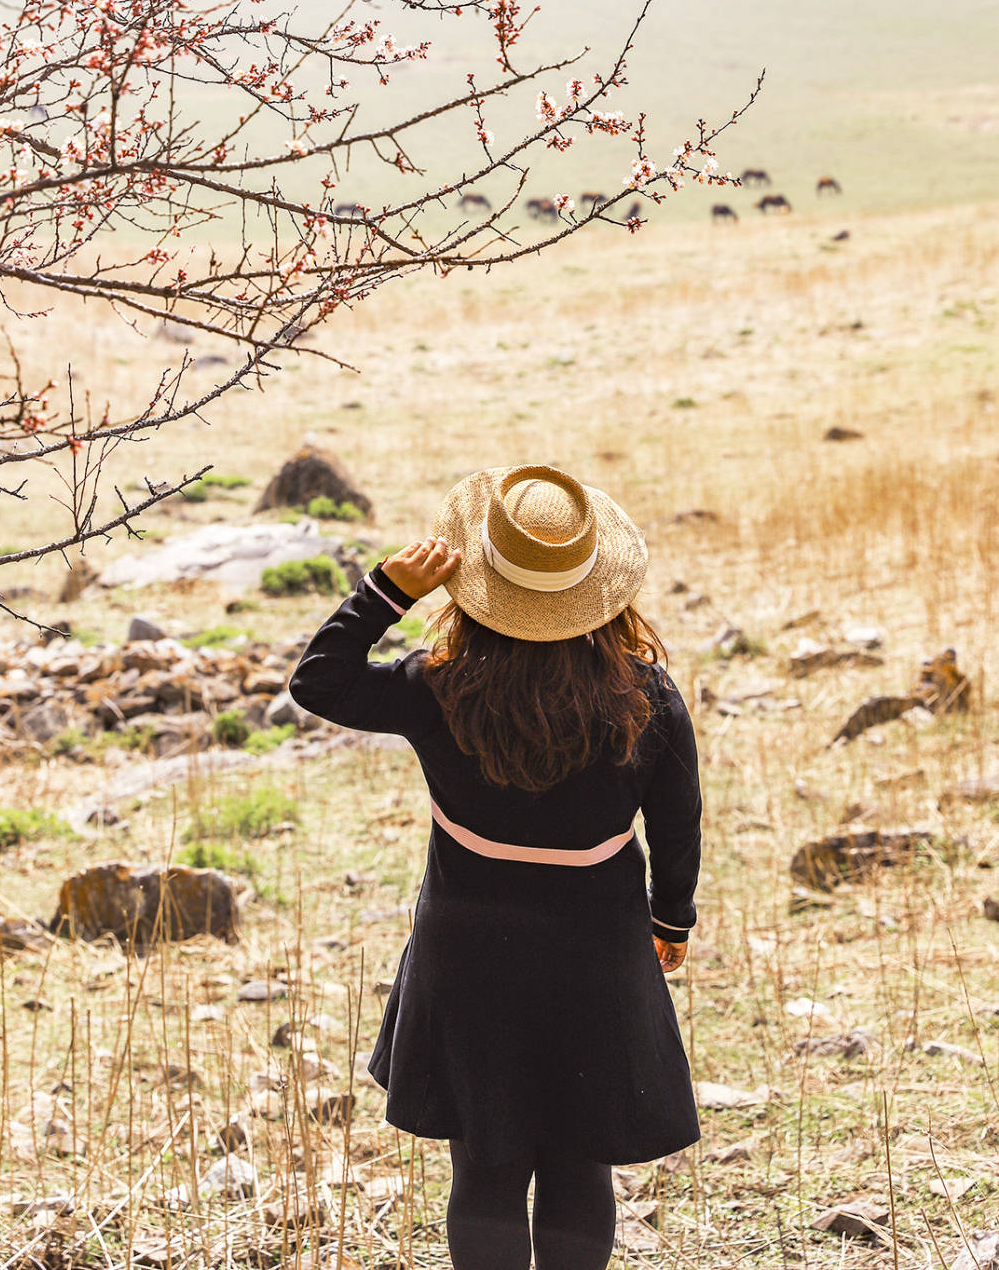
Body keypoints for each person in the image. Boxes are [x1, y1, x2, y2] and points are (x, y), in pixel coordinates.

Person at [289, 463, 701, 1270]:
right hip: (597, 956)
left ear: (480, 584)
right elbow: (675, 821)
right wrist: (670, 916)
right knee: (582, 1161)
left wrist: (384, 590)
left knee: (484, 1160)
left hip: (468, 957)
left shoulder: (435, 686)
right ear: (597, 587)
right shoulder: (644, 694)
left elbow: (319, 682)